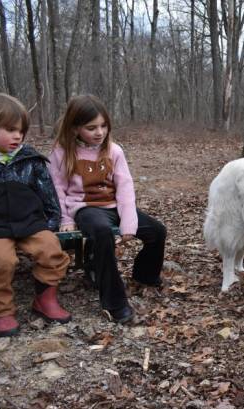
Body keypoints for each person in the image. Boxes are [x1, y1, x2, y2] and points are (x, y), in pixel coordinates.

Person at [48, 94, 166, 324]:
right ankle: (115, 303)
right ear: (74, 128)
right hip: (84, 208)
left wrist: (128, 223)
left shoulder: (114, 151)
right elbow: (57, 189)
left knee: (157, 231)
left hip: (113, 205)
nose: (99, 132)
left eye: (103, 126)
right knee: (102, 232)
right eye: (91, 128)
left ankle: (145, 275)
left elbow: (125, 187)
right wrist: (64, 218)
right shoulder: (61, 153)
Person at [0, 93, 71, 337]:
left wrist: (52, 220)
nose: (17, 136)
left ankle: (45, 299)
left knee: (50, 249)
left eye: (21, 131)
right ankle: (1, 310)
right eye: (10, 130)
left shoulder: (28, 160)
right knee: (2, 260)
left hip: (28, 222)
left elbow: (46, 191)